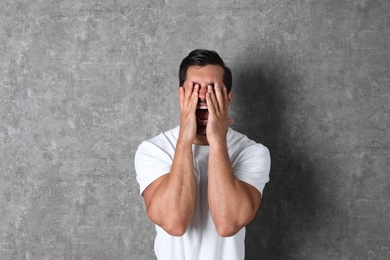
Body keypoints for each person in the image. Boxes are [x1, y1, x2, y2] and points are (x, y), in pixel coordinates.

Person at [135, 49, 270, 260]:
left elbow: (227, 224)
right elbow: (174, 223)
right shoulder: (154, 150)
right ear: (182, 94)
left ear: (228, 97)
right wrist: (184, 139)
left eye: (213, 88)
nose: (203, 95)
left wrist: (217, 139)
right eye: (195, 87)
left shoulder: (252, 152)